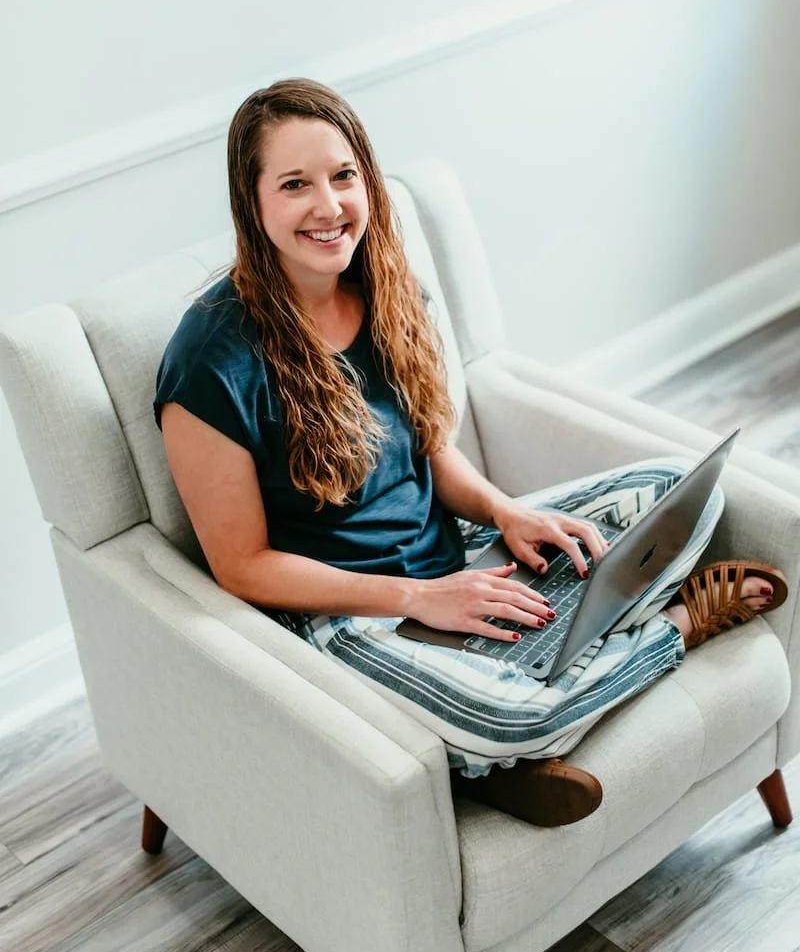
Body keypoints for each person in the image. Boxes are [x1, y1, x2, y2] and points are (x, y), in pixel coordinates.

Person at [154, 78, 787, 828]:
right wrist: (422, 599)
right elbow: (242, 565)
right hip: (349, 614)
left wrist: (504, 512)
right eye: (295, 184)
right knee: (511, 720)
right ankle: (668, 631)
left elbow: (430, 450)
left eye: (343, 175)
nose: (328, 206)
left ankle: (487, 729)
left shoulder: (387, 285)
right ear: (252, 202)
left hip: (460, 557)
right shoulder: (209, 359)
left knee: (686, 490)